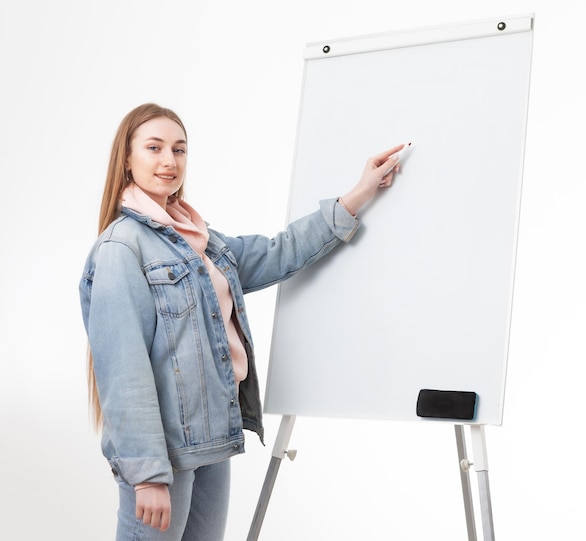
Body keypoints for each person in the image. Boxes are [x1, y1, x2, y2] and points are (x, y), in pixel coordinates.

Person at [79, 102, 402, 541]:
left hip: (212, 441)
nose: (169, 161)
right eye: (153, 148)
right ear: (127, 159)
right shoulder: (121, 248)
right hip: (165, 455)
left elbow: (278, 252)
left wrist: (359, 195)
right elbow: (123, 370)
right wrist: (147, 473)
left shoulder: (201, 240)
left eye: (179, 149)